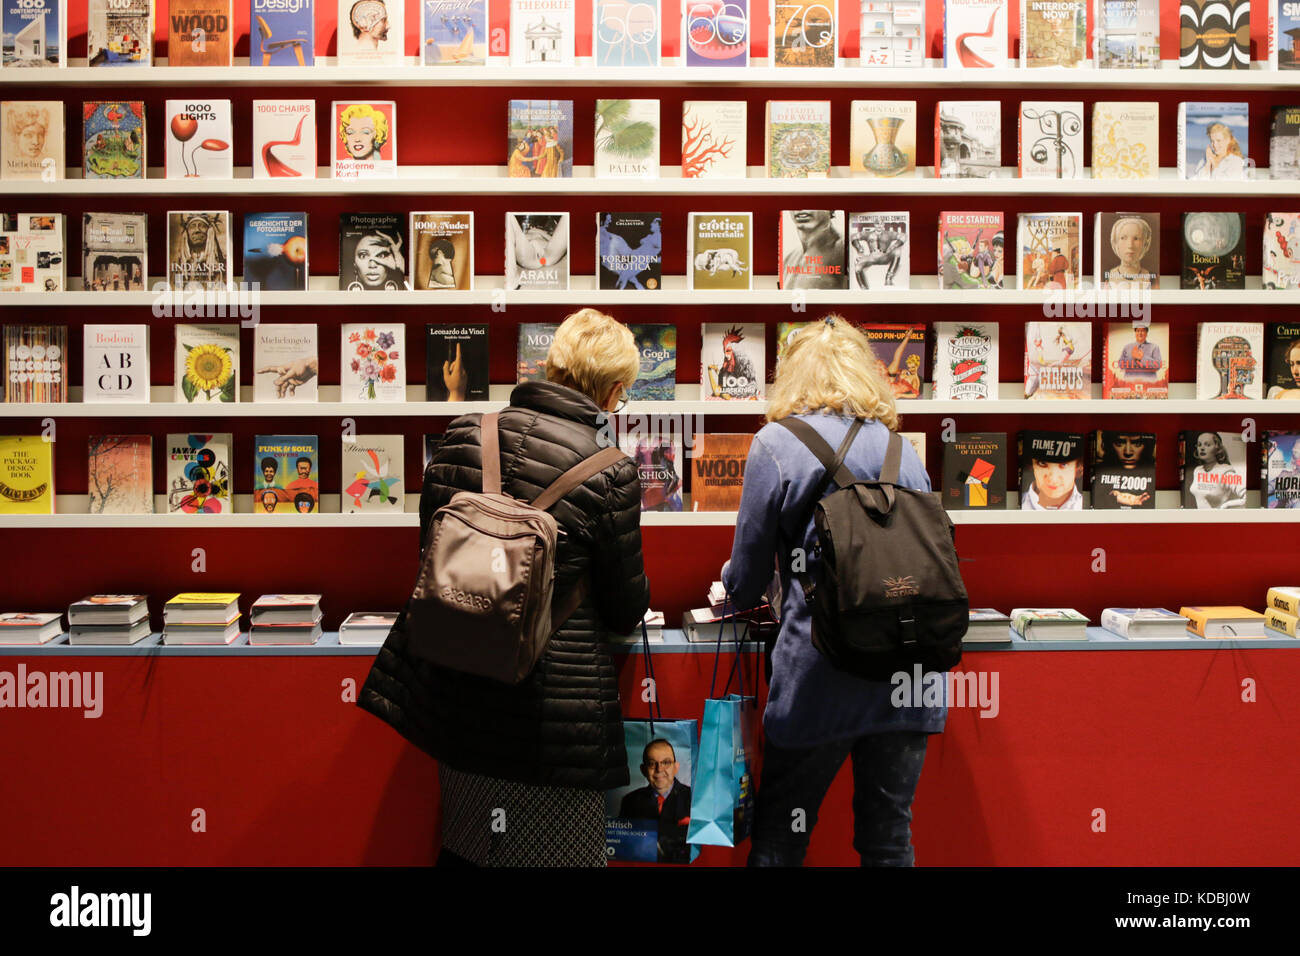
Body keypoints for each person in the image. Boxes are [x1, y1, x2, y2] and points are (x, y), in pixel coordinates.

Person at [359, 308, 650, 867]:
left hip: (459, 690)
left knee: (469, 845)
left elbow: (431, 551)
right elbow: (624, 606)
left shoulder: (467, 431)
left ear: (551, 366)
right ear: (613, 393)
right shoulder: (611, 471)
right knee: (557, 855)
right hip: (552, 716)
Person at [719, 315, 943, 867]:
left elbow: (745, 577)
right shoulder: (899, 447)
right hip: (907, 675)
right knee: (888, 839)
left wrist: (732, 586)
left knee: (782, 837)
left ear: (791, 375)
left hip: (818, 676)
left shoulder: (776, 443)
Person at [618, 739, 693, 863]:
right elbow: (623, 846)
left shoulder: (694, 799)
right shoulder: (629, 801)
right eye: (652, 764)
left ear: (676, 767)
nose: (659, 769)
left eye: (666, 762)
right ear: (643, 770)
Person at [1188, 431, 1245, 509]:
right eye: (1199, 445)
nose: (1202, 448)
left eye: (1207, 444)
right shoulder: (1198, 470)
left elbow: (1246, 496)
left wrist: (1226, 505)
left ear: (1217, 447)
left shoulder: (1225, 472)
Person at [1021, 443, 1083, 510]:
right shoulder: (1020, 503)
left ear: (1078, 467)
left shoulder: (1083, 506)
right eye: (1042, 463)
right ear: (1032, 465)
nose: (1053, 479)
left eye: (1064, 464)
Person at [1103, 216, 1156, 289]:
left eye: (1136, 238)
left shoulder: (1153, 279)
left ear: (1145, 244)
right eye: (1123, 238)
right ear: (1115, 243)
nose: (1130, 245)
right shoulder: (1105, 277)